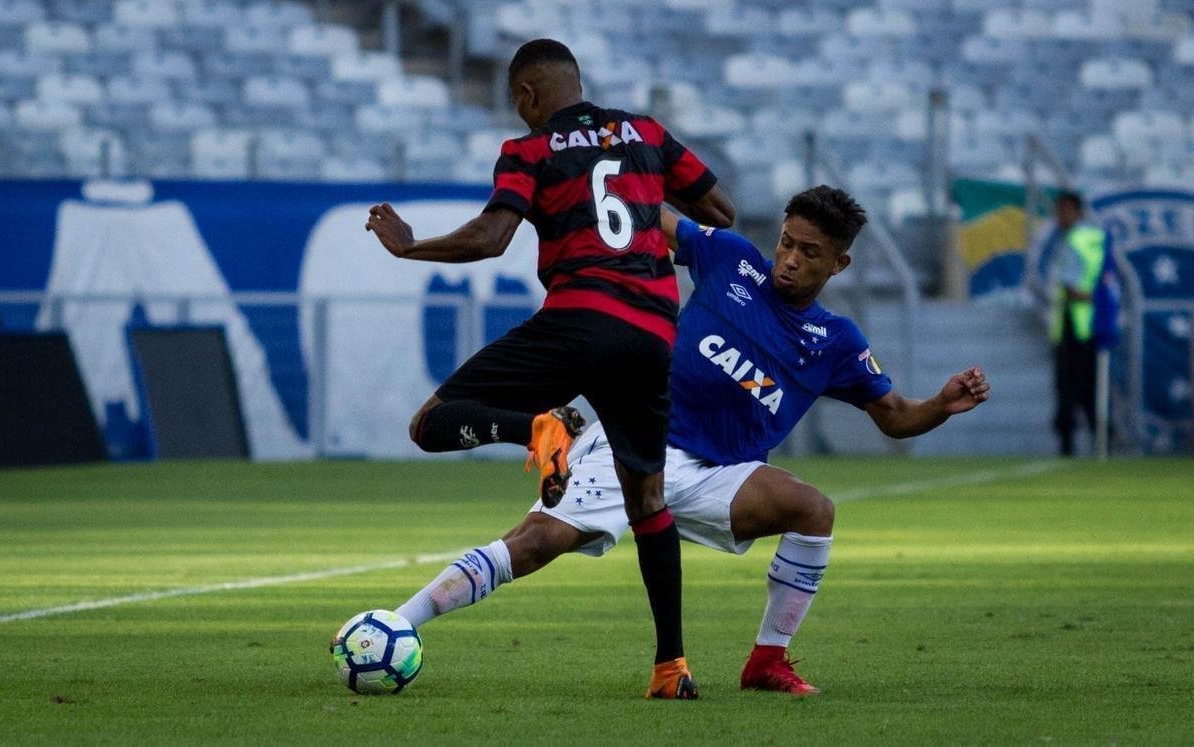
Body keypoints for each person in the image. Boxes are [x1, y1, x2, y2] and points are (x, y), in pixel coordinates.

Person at [392, 186, 990, 696]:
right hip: (641, 440)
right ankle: (400, 622)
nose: (788, 260)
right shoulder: (730, 259)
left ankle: (767, 662)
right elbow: (652, 218)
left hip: (720, 474)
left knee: (814, 511)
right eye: (786, 242)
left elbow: (893, 415)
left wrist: (941, 404)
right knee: (537, 543)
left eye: (809, 253)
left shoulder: (834, 340)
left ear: (839, 265)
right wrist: (605, 189)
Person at [364, 38, 735, 698]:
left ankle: (538, 429)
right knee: (648, 501)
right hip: (652, 334)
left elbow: (490, 237)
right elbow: (719, 212)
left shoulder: (528, 150)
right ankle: (670, 666)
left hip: (580, 320)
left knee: (431, 422)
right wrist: (649, 212)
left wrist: (411, 247)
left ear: (528, 96)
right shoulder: (646, 131)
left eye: (517, 102)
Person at [1048, 191, 1109, 456]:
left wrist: (1088, 297)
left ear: (1077, 211)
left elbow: (1073, 288)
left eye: (1064, 210)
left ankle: (1070, 443)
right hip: (1091, 324)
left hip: (1075, 322)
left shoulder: (1075, 241)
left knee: (1071, 387)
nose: (1059, 216)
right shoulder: (1096, 239)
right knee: (1088, 387)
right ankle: (1100, 442)